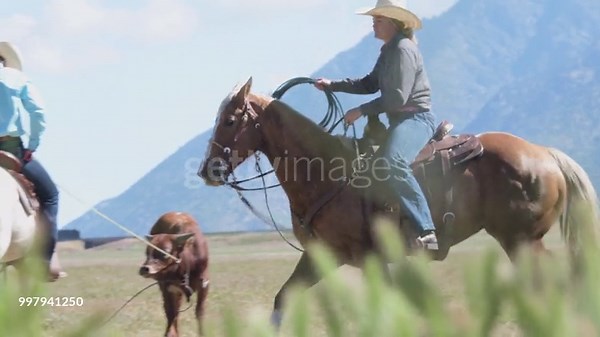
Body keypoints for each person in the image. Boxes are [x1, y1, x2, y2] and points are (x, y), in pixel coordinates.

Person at [314, 0, 438, 250]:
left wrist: (361, 110)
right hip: (399, 120)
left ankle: (427, 230)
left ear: (392, 23)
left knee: (393, 162)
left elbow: (397, 98)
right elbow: (370, 84)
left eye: (378, 19)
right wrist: (333, 85)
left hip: (415, 119)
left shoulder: (402, 50)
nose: (373, 22)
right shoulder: (389, 50)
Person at [0, 41, 65, 280]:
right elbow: (38, 112)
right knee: (51, 195)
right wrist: (32, 146)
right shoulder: (14, 78)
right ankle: (44, 261)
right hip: (10, 150)